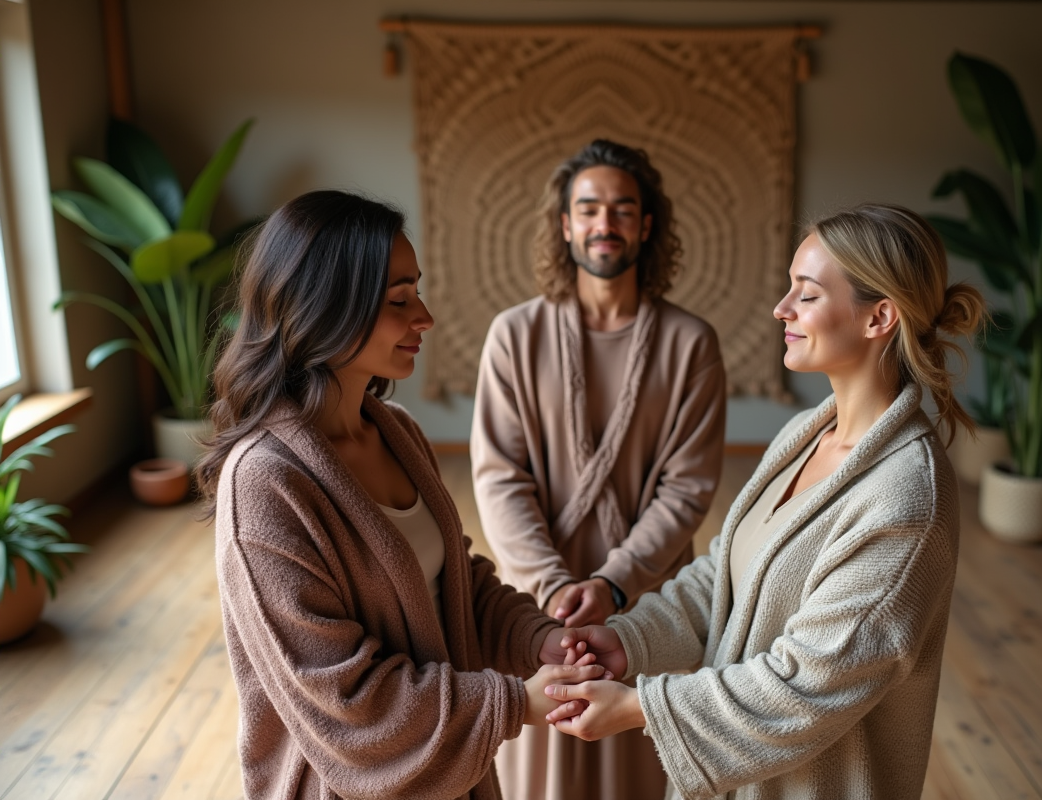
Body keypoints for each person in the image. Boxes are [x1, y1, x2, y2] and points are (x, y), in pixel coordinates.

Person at [544, 203, 988, 800]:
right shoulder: (804, 434)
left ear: (879, 316)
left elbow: (808, 684)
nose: (782, 308)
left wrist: (640, 707)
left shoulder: (906, 498)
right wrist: (629, 640)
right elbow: (725, 574)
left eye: (807, 294)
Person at [197, 190, 609, 800]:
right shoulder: (264, 484)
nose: (425, 317)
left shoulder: (398, 433)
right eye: (399, 300)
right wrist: (516, 702)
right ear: (325, 306)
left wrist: (538, 638)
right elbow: (344, 698)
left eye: (416, 292)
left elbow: (455, 582)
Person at [470, 140, 727, 800]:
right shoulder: (514, 336)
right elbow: (499, 478)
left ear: (646, 225)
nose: (604, 223)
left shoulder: (691, 344)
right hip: (540, 607)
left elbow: (687, 488)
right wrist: (554, 589)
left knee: (639, 770)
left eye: (622, 209)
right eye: (588, 209)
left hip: (646, 605)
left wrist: (614, 586)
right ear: (565, 225)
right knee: (544, 769)